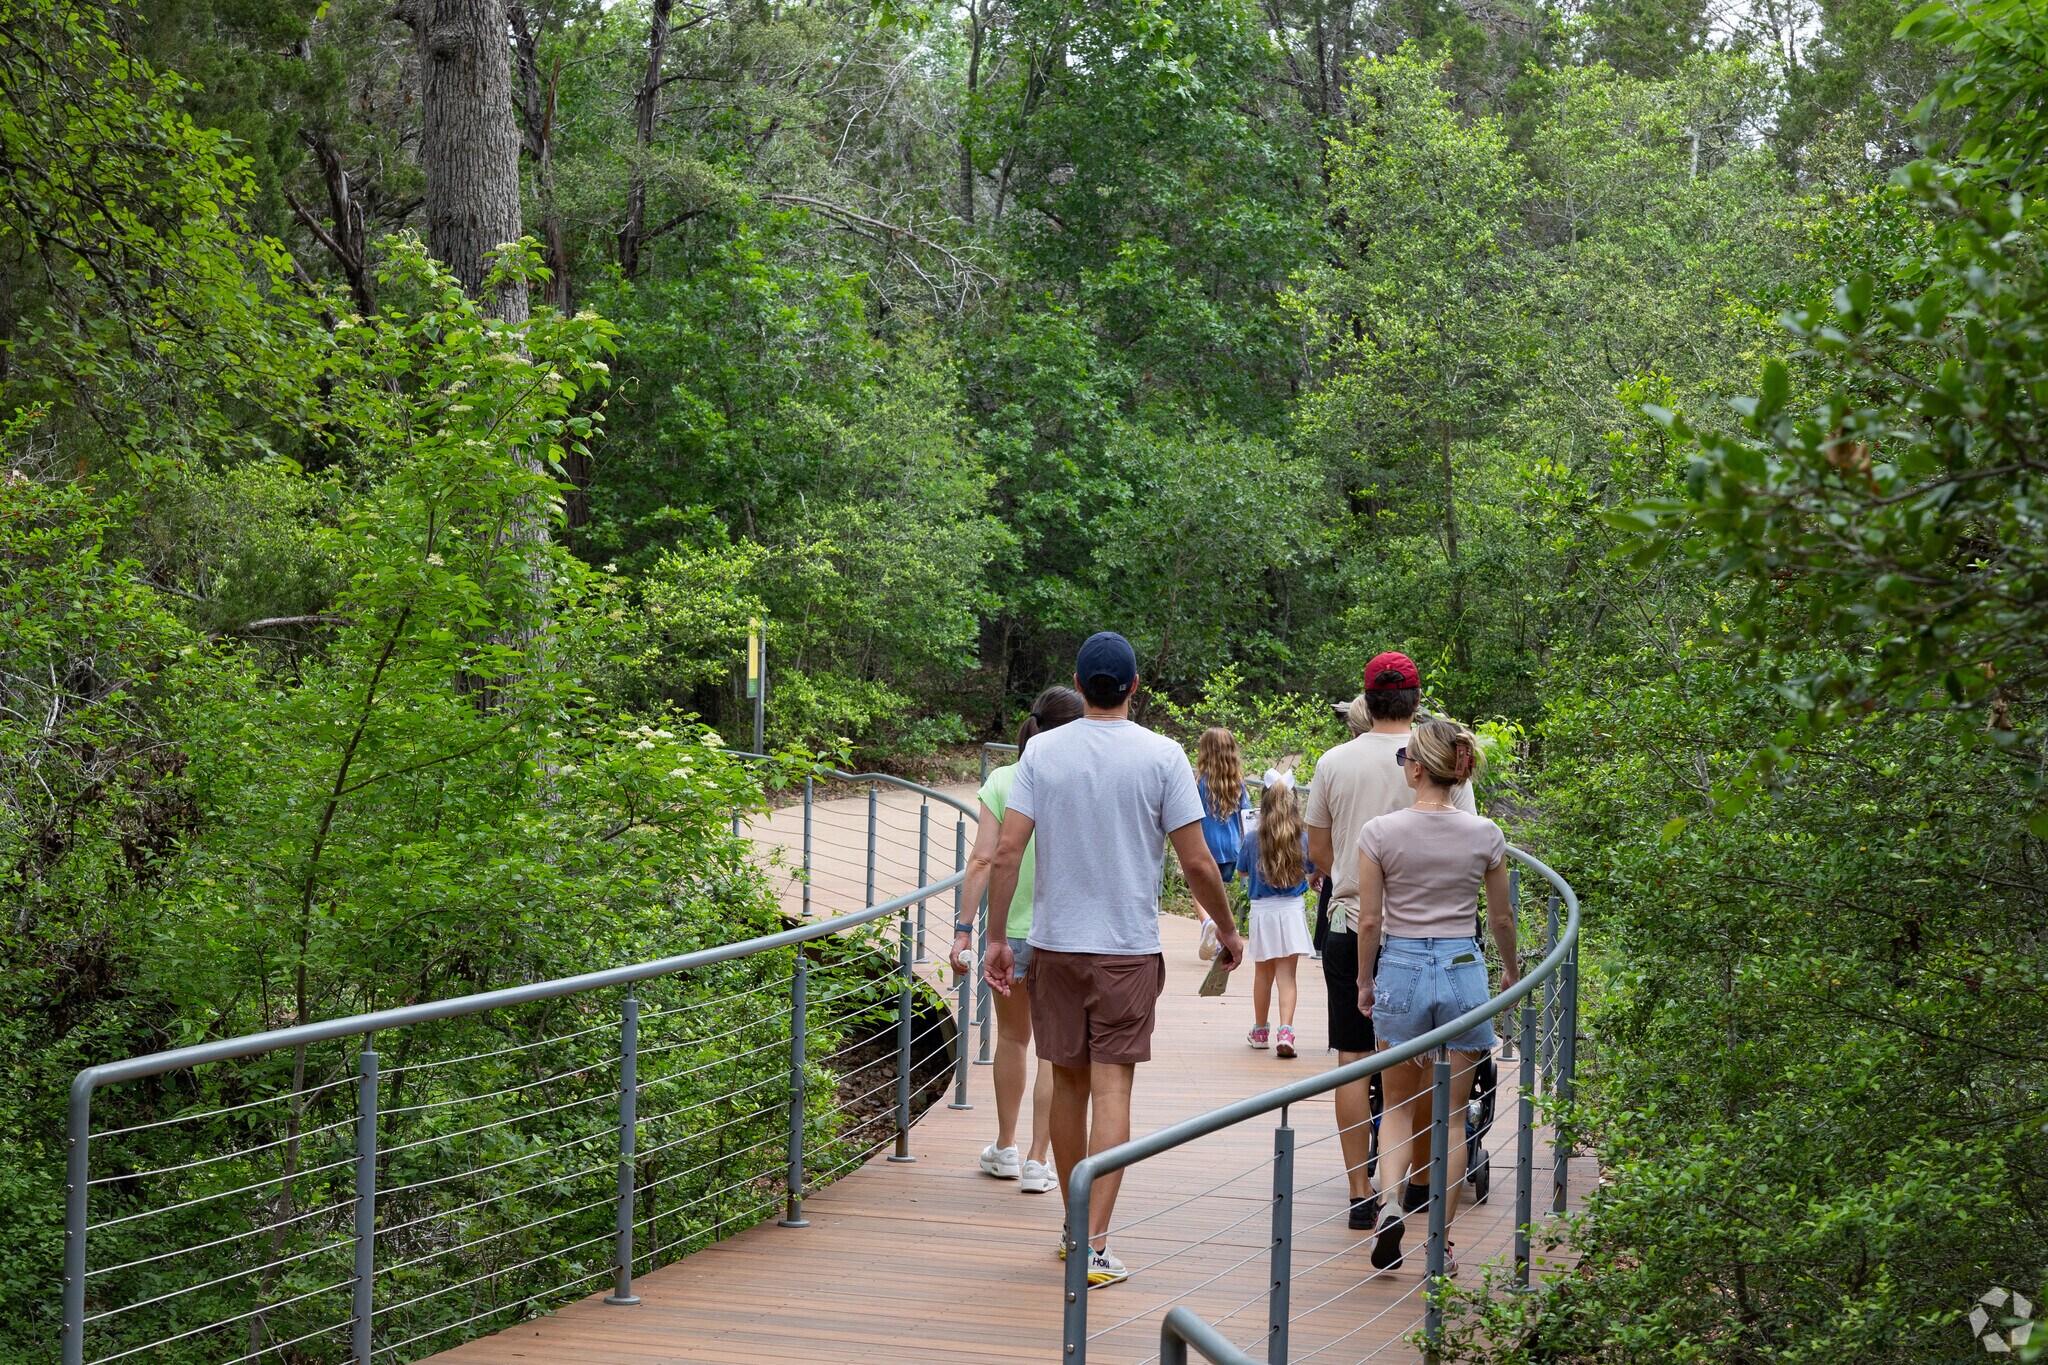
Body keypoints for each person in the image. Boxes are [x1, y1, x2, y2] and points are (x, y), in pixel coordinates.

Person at [983, 632, 1244, 1289]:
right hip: (1127, 949)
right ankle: (1095, 1243)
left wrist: (994, 937)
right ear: (1133, 687)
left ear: (1079, 678)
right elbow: (1195, 861)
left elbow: (1007, 851)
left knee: (1067, 1082)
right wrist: (1227, 928)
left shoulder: (1041, 751)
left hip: (1057, 946)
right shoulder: (1161, 754)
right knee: (1112, 1087)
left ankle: (1074, 1231)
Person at [1303, 652, 1474, 1234]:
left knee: (1353, 1058)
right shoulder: (1441, 757)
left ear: (1367, 699)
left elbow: (1321, 856)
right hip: (1429, 933)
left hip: (1352, 923)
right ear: (1416, 699)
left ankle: (1361, 1192)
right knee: (1423, 1063)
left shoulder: (1333, 763)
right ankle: (1421, 1183)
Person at [1355, 717, 1519, 1275]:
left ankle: (1390, 1204)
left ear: (1418, 767)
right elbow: (1499, 917)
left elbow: (1371, 921)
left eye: (1405, 758)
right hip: (1462, 969)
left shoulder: (1379, 833)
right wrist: (1511, 972)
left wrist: (1364, 981)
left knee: (1397, 1104)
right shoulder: (1486, 834)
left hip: (1399, 965)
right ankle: (1440, 1245)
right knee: (1450, 1119)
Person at [952, 686, 1086, 1194]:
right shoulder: (1077, 780)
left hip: (1009, 930)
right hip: (1063, 931)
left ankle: (1005, 1148)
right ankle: (1037, 1160)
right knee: (1054, 1049)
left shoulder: (1005, 778)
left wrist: (964, 930)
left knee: (1012, 1038)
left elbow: (984, 858)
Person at [1241, 769, 1314, 1058]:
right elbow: (1311, 868)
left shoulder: (1251, 838)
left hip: (1263, 912)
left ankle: (1260, 1031)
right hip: (1292, 911)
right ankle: (1286, 1031)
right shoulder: (1302, 838)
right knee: (1287, 976)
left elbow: (1243, 871)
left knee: (1263, 975)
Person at [1194, 727, 1250, 886]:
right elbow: (1247, 817)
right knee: (1220, 890)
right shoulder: (1237, 784)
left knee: (1201, 892)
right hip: (1231, 848)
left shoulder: (1199, 783)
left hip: (1206, 847)